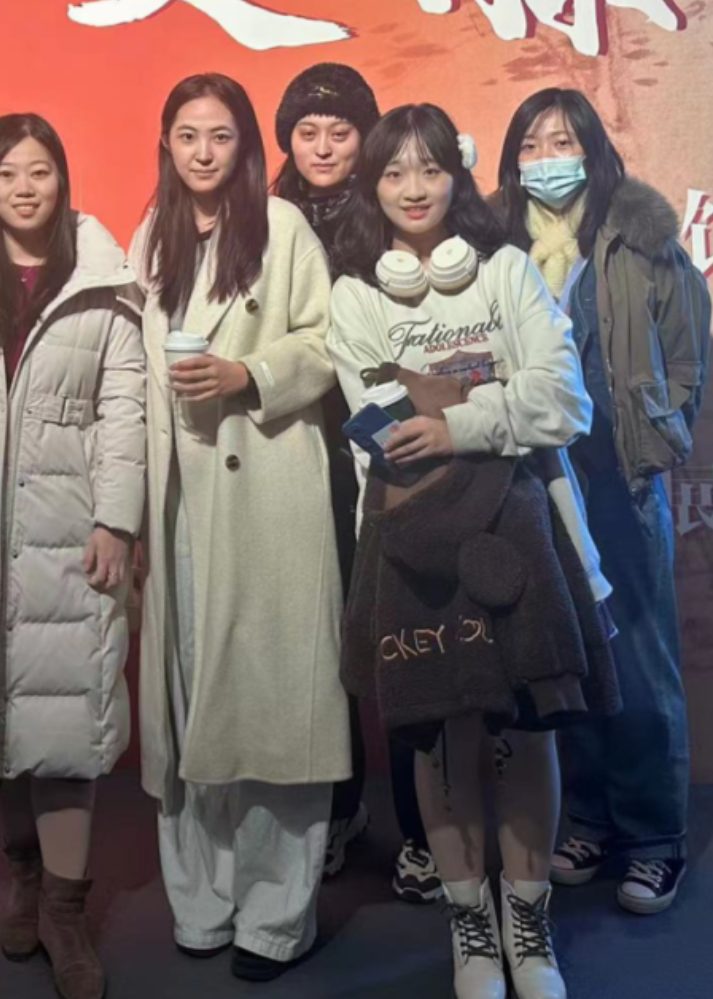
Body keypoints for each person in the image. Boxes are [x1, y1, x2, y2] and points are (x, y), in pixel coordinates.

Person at [330, 104, 619, 999]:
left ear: (457, 176)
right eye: (393, 173)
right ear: (373, 188)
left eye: (430, 168)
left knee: (527, 728)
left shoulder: (505, 270)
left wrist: (454, 420)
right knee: (442, 737)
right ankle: (470, 925)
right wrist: (495, 401)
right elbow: (383, 433)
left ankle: (527, 922)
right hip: (414, 542)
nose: (413, 189)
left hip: (523, 528)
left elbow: (562, 402)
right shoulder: (355, 296)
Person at [0, 113, 146, 999]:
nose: (24, 187)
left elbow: (125, 411)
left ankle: (64, 907)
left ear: (62, 179)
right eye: (7, 173)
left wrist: (116, 519)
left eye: (40, 170)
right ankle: (24, 875)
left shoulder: (102, 280)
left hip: (70, 529)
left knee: (67, 721)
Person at [132, 72, 350, 983]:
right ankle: (201, 900)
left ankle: (274, 914)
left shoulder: (283, 227)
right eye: (188, 135)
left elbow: (330, 342)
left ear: (247, 145)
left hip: (265, 485)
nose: (203, 152)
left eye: (220, 135)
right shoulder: (151, 234)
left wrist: (247, 375)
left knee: (273, 705)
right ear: (167, 144)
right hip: (179, 495)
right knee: (190, 703)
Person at [493, 88, 711, 915]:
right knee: (564, 655)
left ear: (592, 149)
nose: (547, 156)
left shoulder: (638, 238)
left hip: (621, 478)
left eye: (563, 140)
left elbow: (686, 347)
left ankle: (655, 838)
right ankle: (585, 817)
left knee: (640, 658)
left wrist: (661, 430)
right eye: (531, 143)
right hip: (536, 481)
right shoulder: (497, 248)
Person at [271, 62, 441, 902]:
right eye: (307, 131)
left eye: (341, 131)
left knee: (407, 635)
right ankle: (336, 810)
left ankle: (424, 828)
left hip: (390, 451)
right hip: (295, 453)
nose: (324, 146)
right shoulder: (262, 217)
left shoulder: (395, 212)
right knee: (320, 641)